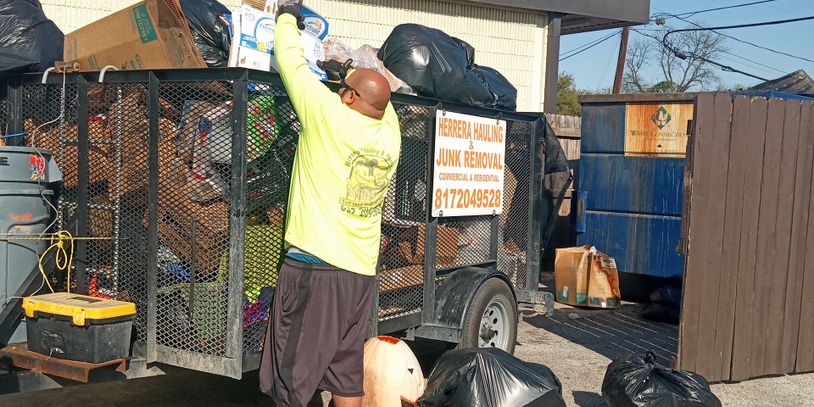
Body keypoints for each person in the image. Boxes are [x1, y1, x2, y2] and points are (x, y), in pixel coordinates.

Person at [258, 1, 402, 406]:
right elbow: (382, 100)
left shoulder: (325, 115)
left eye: (345, 88)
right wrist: (351, 77)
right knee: (345, 375)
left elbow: (291, 63)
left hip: (315, 271)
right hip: (359, 275)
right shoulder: (390, 136)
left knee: (292, 381)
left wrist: (286, 15)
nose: (338, 91)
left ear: (351, 97)